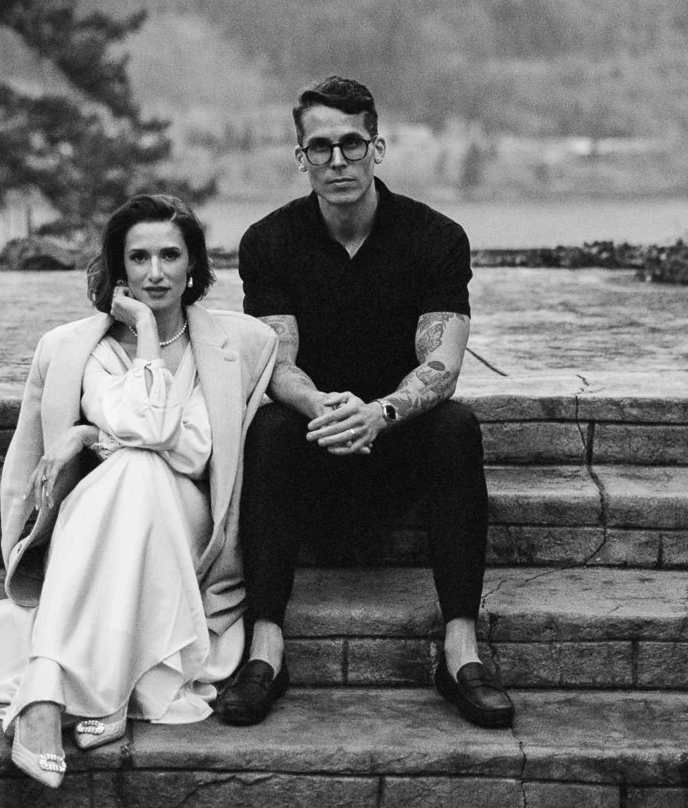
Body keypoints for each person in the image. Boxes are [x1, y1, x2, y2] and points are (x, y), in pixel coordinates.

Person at [214, 76, 514, 730]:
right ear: (301, 158)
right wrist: (328, 409)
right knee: (268, 428)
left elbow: (443, 363)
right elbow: (276, 360)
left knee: (456, 427)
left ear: (378, 148)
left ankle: (460, 648)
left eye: (352, 143)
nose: (338, 160)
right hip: (316, 442)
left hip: (398, 445)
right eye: (320, 147)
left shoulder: (436, 238)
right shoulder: (270, 242)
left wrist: (378, 413)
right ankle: (266, 647)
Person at [0, 194, 277, 788]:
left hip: (187, 520)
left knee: (141, 467)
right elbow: (150, 434)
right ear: (119, 269)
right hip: (99, 516)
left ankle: (48, 690)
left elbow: (188, 446)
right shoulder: (80, 348)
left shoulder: (240, 345)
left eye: (170, 256)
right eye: (139, 257)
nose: (156, 272)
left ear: (193, 265)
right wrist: (108, 421)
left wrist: (94, 428)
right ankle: (86, 701)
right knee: (136, 470)